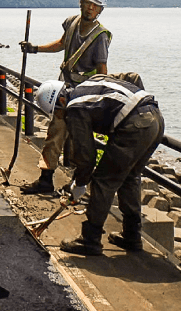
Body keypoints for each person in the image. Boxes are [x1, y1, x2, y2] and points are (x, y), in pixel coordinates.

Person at [34, 73, 164, 256]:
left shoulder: (75, 108)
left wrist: (79, 184)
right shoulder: (88, 84)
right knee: (129, 177)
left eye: (57, 112)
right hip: (154, 118)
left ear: (61, 100)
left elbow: (85, 156)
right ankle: (132, 236)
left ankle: (90, 240)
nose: (60, 116)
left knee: (103, 180)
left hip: (135, 125)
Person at [19, 0, 112, 194]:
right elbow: (61, 44)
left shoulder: (100, 36)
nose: (90, 8)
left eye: (95, 6)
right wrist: (35, 49)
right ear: (81, 3)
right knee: (56, 132)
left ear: (100, 10)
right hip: (63, 89)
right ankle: (46, 179)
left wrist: (100, 100)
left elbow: (102, 72)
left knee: (80, 139)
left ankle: (78, 184)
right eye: (87, 3)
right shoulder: (71, 22)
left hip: (84, 96)